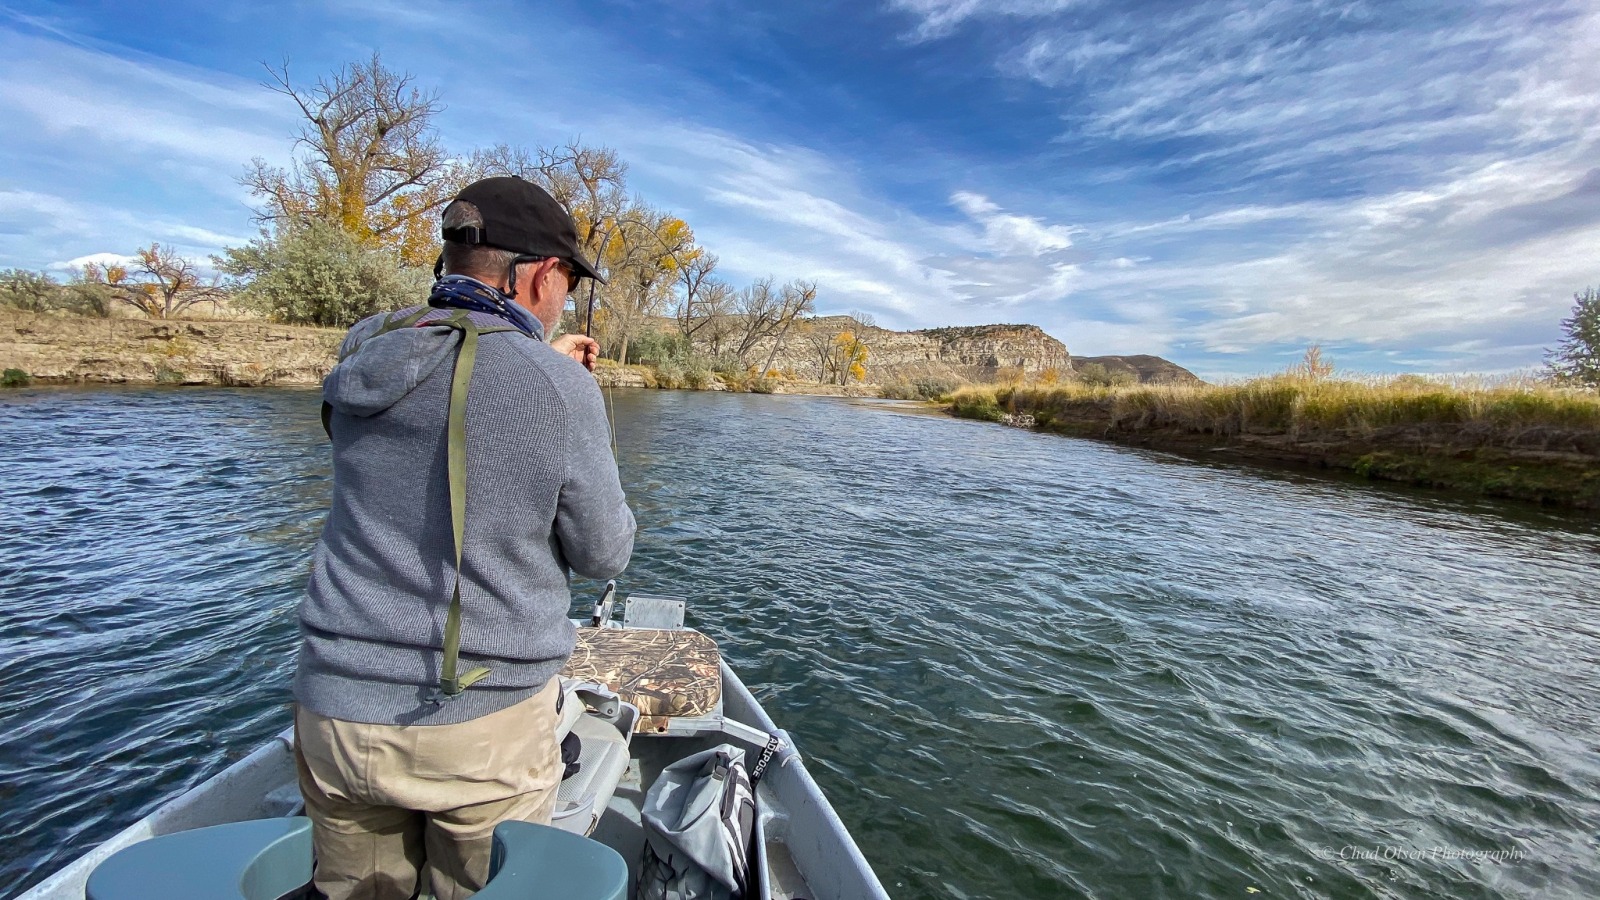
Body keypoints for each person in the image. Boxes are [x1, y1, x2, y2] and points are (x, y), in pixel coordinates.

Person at [291, 176, 636, 900]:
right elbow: (604, 554)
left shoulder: (365, 348)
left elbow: (457, 357)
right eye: (567, 283)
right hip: (478, 726)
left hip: (334, 714)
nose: (565, 299)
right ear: (542, 273)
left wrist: (540, 357)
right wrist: (560, 382)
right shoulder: (560, 389)